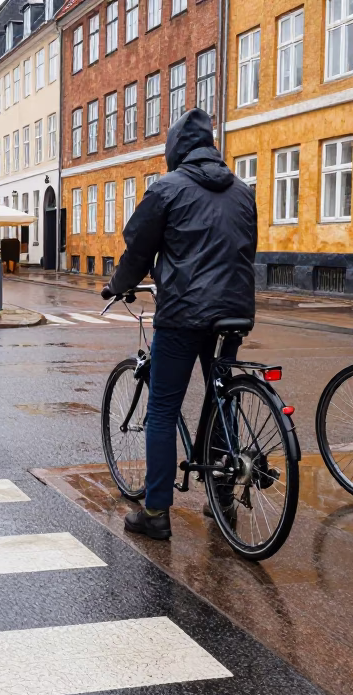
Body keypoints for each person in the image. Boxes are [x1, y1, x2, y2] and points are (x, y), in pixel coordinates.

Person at [101, 108, 258, 541]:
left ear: (175, 150)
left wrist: (117, 285)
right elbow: (248, 249)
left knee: (163, 410)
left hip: (184, 313)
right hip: (234, 311)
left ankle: (155, 512)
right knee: (223, 399)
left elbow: (138, 251)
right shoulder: (244, 192)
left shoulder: (166, 190)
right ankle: (222, 497)